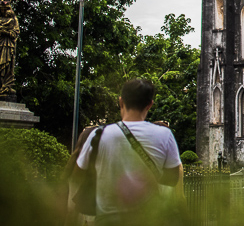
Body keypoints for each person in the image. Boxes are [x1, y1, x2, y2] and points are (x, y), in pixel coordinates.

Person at [74, 78, 182, 225]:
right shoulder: (165, 135)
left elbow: (78, 174)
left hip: (107, 220)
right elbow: (172, 180)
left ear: (121, 101)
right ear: (149, 105)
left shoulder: (98, 135)